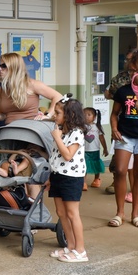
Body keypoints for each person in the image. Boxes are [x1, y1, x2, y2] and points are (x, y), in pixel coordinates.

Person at [48, 96, 88, 263]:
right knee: (61, 213)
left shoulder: (76, 133)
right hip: (58, 175)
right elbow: (56, 156)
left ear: (69, 115)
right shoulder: (62, 131)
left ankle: (81, 250)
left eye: (58, 113)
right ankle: (70, 245)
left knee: (72, 213)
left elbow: (68, 155)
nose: (54, 115)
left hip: (72, 177)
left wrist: (56, 137)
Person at [108, 77, 138, 228]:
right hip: (124, 136)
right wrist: (114, 129)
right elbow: (114, 114)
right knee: (119, 171)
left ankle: (136, 214)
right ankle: (120, 213)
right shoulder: (123, 90)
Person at [0, 52, 63, 124]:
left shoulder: (32, 84)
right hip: (10, 129)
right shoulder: (1, 90)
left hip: (30, 129)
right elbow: (3, 115)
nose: (0, 69)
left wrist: (48, 115)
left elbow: (58, 97)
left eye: (4, 66)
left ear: (14, 68)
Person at [82, 107, 108, 191]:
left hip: (95, 150)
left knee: (96, 164)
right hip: (84, 150)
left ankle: (96, 179)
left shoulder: (97, 127)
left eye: (89, 115)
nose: (86, 116)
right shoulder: (82, 127)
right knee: (84, 166)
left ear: (94, 117)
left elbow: (102, 138)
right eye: (84, 115)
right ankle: (83, 182)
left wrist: (105, 148)